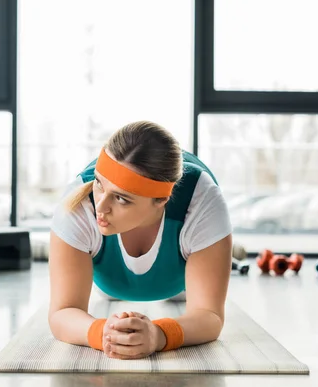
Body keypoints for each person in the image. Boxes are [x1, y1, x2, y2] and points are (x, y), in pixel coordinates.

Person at [48, 121, 233, 360]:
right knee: (110, 298)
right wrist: (103, 333)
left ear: (161, 200)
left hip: (179, 284)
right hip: (109, 283)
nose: (101, 207)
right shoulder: (78, 204)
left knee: (185, 300)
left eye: (122, 199)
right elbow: (62, 312)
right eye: (99, 184)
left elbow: (209, 316)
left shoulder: (201, 200)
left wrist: (159, 335)